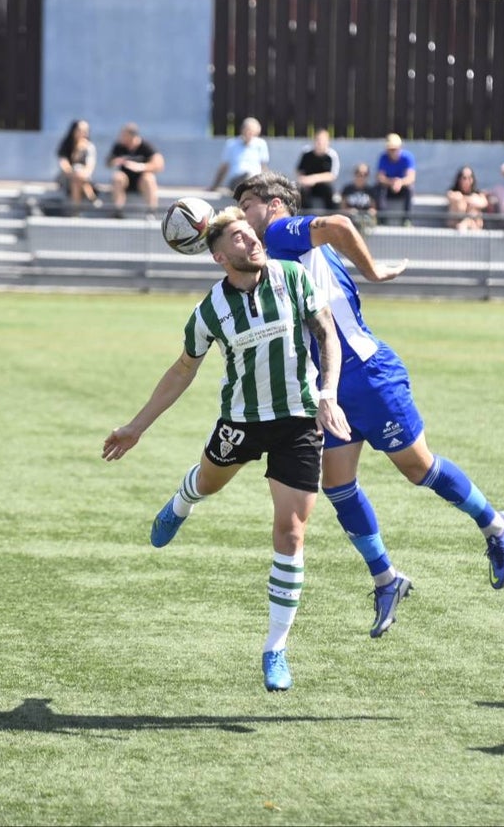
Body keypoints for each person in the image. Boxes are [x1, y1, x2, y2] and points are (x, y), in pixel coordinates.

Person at [233, 172, 504, 639]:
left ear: (275, 204)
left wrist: (374, 270)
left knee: (418, 469)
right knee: (338, 484)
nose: (244, 215)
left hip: (367, 375)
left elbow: (342, 223)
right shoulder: (286, 251)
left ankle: (495, 523)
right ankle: (387, 579)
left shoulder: (285, 232)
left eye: (247, 204)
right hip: (337, 382)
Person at [101, 206, 350, 693]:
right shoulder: (209, 311)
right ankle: (181, 502)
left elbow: (327, 335)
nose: (252, 241)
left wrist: (327, 393)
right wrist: (136, 427)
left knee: (292, 532)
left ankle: (275, 647)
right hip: (241, 421)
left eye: (250, 234)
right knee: (208, 482)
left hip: (299, 420)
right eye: (238, 238)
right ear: (219, 256)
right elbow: (182, 370)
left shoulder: (294, 278)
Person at [108, 122, 164, 216]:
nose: (121, 137)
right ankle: (118, 211)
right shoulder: (119, 147)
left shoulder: (146, 146)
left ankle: (151, 212)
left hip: (141, 180)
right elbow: (108, 162)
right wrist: (115, 161)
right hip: (125, 180)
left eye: (124, 135)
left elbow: (159, 164)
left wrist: (141, 167)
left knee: (149, 178)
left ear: (131, 135)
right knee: (117, 177)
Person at [210, 117, 269, 193]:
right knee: (245, 178)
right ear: (242, 130)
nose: (249, 134)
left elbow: (263, 167)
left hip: (255, 179)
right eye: (248, 131)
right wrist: (214, 186)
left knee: (253, 178)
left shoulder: (261, 144)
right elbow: (224, 167)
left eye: (252, 132)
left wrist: (268, 183)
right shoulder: (231, 144)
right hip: (236, 180)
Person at [56, 119, 99, 212]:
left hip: (83, 179)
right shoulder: (66, 145)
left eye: (86, 131)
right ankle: (91, 196)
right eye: (81, 130)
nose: (84, 133)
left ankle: (75, 211)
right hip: (68, 179)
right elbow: (65, 166)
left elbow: (89, 168)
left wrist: (79, 174)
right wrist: (77, 151)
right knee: (77, 170)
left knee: (77, 177)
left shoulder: (89, 147)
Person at [375, 133, 416, 226]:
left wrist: (400, 183)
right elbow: (380, 177)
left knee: (410, 189)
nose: (392, 151)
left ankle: (407, 220)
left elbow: (411, 177)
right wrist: (391, 182)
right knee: (379, 189)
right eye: (390, 149)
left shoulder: (408, 157)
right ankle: (382, 219)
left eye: (394, 149)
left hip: (402, 188)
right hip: (388, 188)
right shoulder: (383, 157)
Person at [295, 128, 340, 212]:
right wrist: (304, 180)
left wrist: (314, 179)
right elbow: (299, 171)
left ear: (328, 142)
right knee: (299, 192)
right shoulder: (306, 153)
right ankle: (303, 216)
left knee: (329, 192)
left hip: (323, 185)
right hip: (307, 185)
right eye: (318, 140)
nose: (320, 143)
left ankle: (330, 215)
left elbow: (332, 175)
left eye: (322, 141)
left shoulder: (331, 155)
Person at [446, 166, 489, 232]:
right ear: (459, 179)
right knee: (460, 201)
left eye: (469, 178)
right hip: (456, 227)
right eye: (464, 178)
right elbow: (454, 197)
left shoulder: (477, 194)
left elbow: (484, 203)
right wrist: (465, 200)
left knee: (474, 203)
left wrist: (468, 200)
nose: (467, 181)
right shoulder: (453, 192)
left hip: (473, 226)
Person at [339, 163, 379, 229]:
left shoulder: (371, 190)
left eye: (365, 174)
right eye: (359, 174)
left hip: (365, 221)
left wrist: (370, 212)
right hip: (350, 221)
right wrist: (349, 211)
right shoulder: (347, 189)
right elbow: (342, 208)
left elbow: (373, 208)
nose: (362, 177)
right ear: (355, 174)